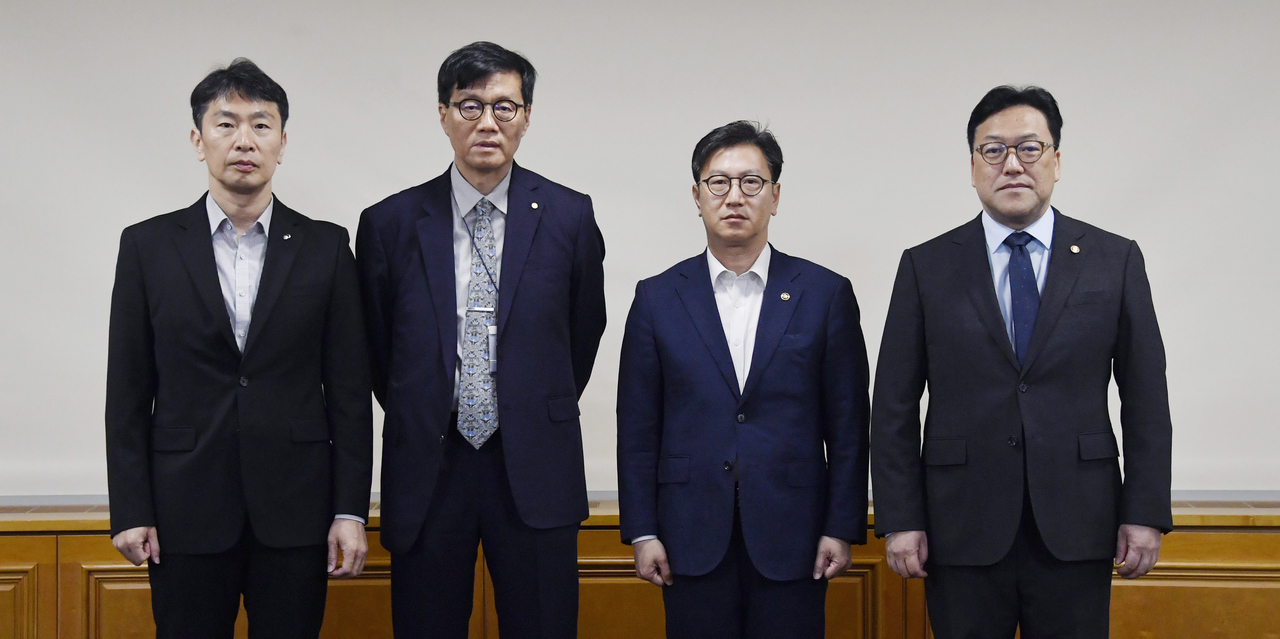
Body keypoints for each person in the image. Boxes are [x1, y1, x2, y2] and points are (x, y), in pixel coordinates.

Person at [871, 85, 1173, 638]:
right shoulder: (926, 266)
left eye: (1029, 148)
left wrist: (1146, 510)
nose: (1012, 164)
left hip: (1078, 523)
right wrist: (901, 519)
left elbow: (1146, 396)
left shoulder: (1115, 259)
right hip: (959, 525)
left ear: (1056, 160)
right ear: (972, 166)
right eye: (993, 150)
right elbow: (892, 404)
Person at [105, 58, 373, 639]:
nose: (244, 140)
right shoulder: (147, 247)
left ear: (282, 142)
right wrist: (130, 508)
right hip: (183, 509)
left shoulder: (326, 247)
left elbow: (350, 395)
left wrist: (350, 511)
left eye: (261, 124)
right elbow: (127, 392)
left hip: (298, 512)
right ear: (198, 141)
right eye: (226, 125)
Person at [356, 41, 607, 638]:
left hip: (535, 467)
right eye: (470, 106)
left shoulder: (570, 217)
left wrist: (526, 402)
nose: (488, 122)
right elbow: (376, 347)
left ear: (526, 117)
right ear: (443, 114)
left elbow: (582, 334)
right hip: (429, 466)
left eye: (505, 106)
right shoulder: (388, 224)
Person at [616, 121, 870, 639]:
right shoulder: (657, 298)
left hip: (795, 534)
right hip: (688, 535)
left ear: (775, 196)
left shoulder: (825, 294)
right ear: (697, 195)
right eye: (719, 183)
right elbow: (638, 428)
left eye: (751, 182)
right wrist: (642, 531)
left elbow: (848, 426)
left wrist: (841, 526)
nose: (735, 196)